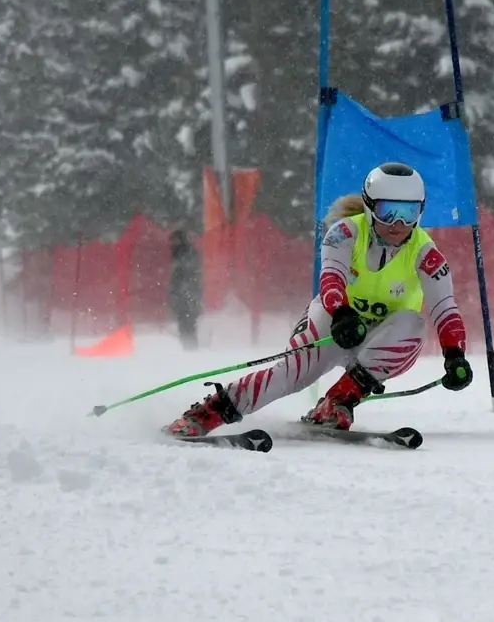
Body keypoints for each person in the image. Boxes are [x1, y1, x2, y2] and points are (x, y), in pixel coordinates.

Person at [164, 162, 474, 437]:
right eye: (388, 211)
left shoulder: (425, 252)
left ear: (420, 212)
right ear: (369, 207)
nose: (397, 224)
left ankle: (337, 401)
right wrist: (341, 313)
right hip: (335, 322)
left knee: (413, 323)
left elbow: (444, 308)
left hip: (382, 338)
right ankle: (209, 411)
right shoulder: (345, 233)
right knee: (291, 375)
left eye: (408, 213)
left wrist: (454, 354)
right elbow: (331, 279)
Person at [168, 227, 202, 350]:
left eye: (174, 241)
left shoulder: (183, 255)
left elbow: (185, 275)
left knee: (187, 325)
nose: (172, 244)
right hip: (187, 295)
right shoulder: (186, 253)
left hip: (187, 295)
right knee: (187, 325)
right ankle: (190, 347)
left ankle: (190, 348)